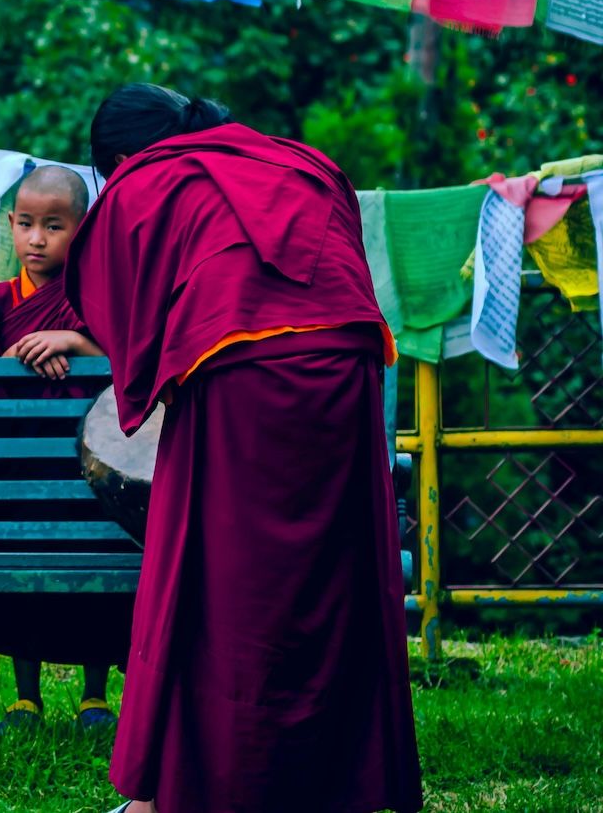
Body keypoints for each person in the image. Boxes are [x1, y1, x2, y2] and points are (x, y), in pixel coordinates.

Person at [64, 85, 422, 813]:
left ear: (122, 158)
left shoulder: (147, 177)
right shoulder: (302, 160)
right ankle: (334, 781)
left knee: (215, 579)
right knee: (335, 570)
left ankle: (174, 793)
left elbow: (115, 300)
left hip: (238, 369)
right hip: (350, 367)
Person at [0, 164, 133, 735]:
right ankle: (25, 697)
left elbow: (128, 356)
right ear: (10, 225)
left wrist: (72, 340)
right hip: (19, 460)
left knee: (94, 571)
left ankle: (94, 696)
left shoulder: (99, 296)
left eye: (54, 226)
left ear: (83, 229)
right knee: (25, 572)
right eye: (25, 224)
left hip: (90, 466)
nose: (36, 239)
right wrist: (11, 358)